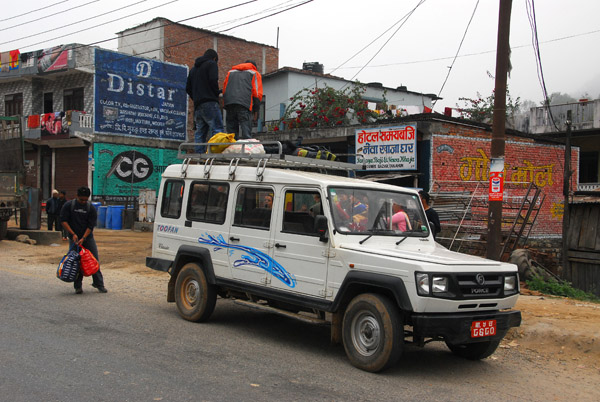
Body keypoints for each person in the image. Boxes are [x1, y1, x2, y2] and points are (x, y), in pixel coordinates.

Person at [60, 186, 107, 294]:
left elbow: (90, 226)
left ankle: (99, 284)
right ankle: (78, 287)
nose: (83, 202)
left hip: (87, 238)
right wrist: (72, 234)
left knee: (93, 260)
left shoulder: (90, 208)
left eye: (85, 200)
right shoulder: (69, 206)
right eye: (81, 200)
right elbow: (63, 221)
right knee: (76, 262)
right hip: (74, 238)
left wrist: (84, 238)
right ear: (77, 196)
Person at [186, 49, 224, 153]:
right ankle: (214, 154)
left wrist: (197, 98)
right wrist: (216, 92)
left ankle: (199, 157)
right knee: (217, 129)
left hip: (198, 106)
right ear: (214, 58)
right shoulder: (211, 64)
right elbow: (213, 80)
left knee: (200, 132)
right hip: (210, 102)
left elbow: (187, 88)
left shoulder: (193, 69)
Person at [223, 60, 263, 140]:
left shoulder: (230, 73)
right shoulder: (254, 73)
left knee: (231, 137)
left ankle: (232, 152)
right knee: (246, 135)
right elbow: (257, 94)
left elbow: (224, 90)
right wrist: (256, 110)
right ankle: (246, 151)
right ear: (254, 67)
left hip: (229, 105)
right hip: (244, 105)